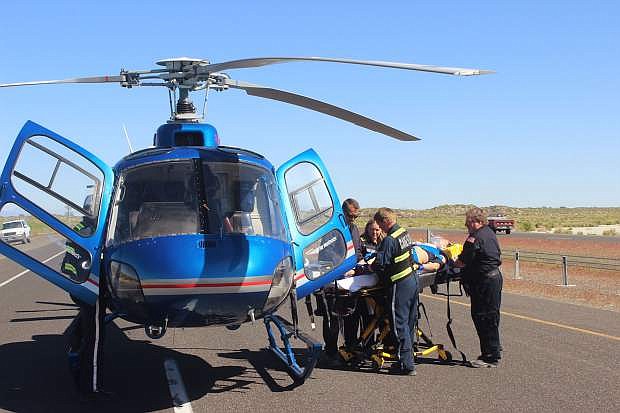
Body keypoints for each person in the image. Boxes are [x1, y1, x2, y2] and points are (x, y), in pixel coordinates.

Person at [62, 198, 109, 399]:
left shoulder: (81, 227)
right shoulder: (92, 231)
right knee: (96, 339)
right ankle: (91, 386)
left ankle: (74, 347)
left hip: (77, 286)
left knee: (84, 323)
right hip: (90, 288)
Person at [371, 207, 419, 375]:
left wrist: (369, 267)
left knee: (399, 324)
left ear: (385, 221)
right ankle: (409, 359)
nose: (380, 229)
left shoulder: (389, 240)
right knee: (409, 322)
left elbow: (380, 264)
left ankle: (406, 365)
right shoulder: (404, 233)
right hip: (412, 281)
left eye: (380, 224)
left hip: (399, 284)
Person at [454, 207, 503, 368]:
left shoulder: (475, 238)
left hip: (484, 281)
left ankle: (490, 356)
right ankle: (494, 347)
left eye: (468, 223)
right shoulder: (489, 233)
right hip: (493, 278)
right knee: (492, 316)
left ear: (478, 222)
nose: (467, 226)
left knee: (483, 317)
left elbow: (462, 261)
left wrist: (451, 260)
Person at [318, 198, 363, 366]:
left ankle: (350, 348)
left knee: (351, 315)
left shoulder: (354, 228)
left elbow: (357, 250)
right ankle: (330, 352)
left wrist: (356, 264)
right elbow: (326, 254)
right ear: (342, 212)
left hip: (349, 280)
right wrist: (343, 267)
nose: (353, 219)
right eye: (350, 216)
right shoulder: (331, 230)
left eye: (356, 216)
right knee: (332, 318)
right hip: (332, 279)